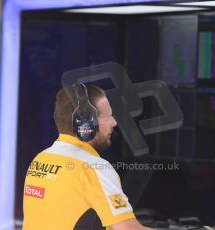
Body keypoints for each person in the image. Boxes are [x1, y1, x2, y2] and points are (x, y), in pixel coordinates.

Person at [23, 84, 152, 230]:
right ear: (86, 124)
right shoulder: (94, 168)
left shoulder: (40, 159)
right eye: (108, 117)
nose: (114, 123)